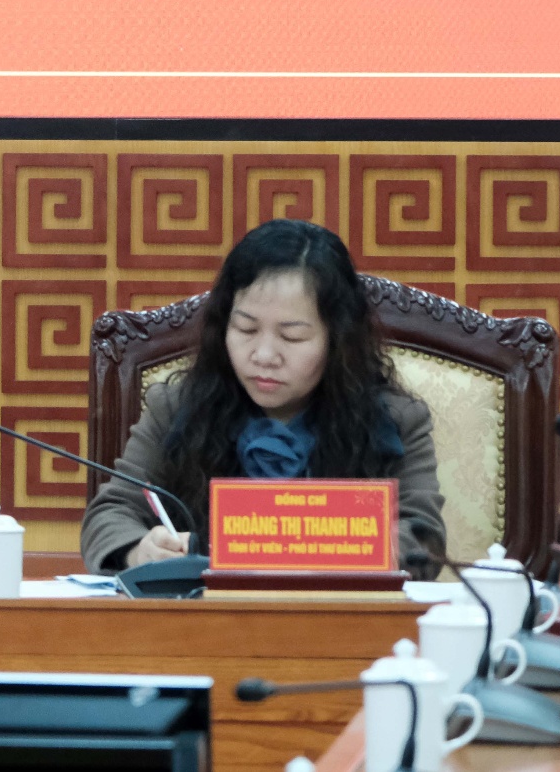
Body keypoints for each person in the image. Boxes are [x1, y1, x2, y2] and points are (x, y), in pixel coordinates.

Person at [80, 218, 446, 578]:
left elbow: (423, 540)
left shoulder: (394, 420)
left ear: (337, 340)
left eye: (291, 336)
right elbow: (110, 513)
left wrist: (288, 547)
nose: (264, 355)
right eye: (246, 329)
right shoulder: (176, 408)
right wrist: (138, 550)